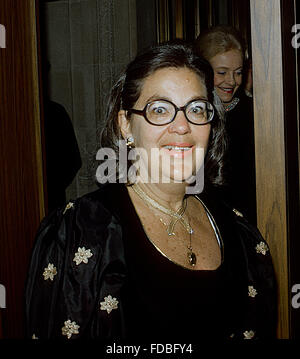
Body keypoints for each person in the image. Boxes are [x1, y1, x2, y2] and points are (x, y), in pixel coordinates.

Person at [25, 41, 276, 341]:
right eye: (160, 109)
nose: (182, 126)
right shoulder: (80, 233)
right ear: (126, 125)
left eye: (196, 108)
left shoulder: (238, 231)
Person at [194, 26, 257, 224]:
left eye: (238, 72)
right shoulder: (191, 114)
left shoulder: (255, 114)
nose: (231, 81)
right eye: (221, 72)